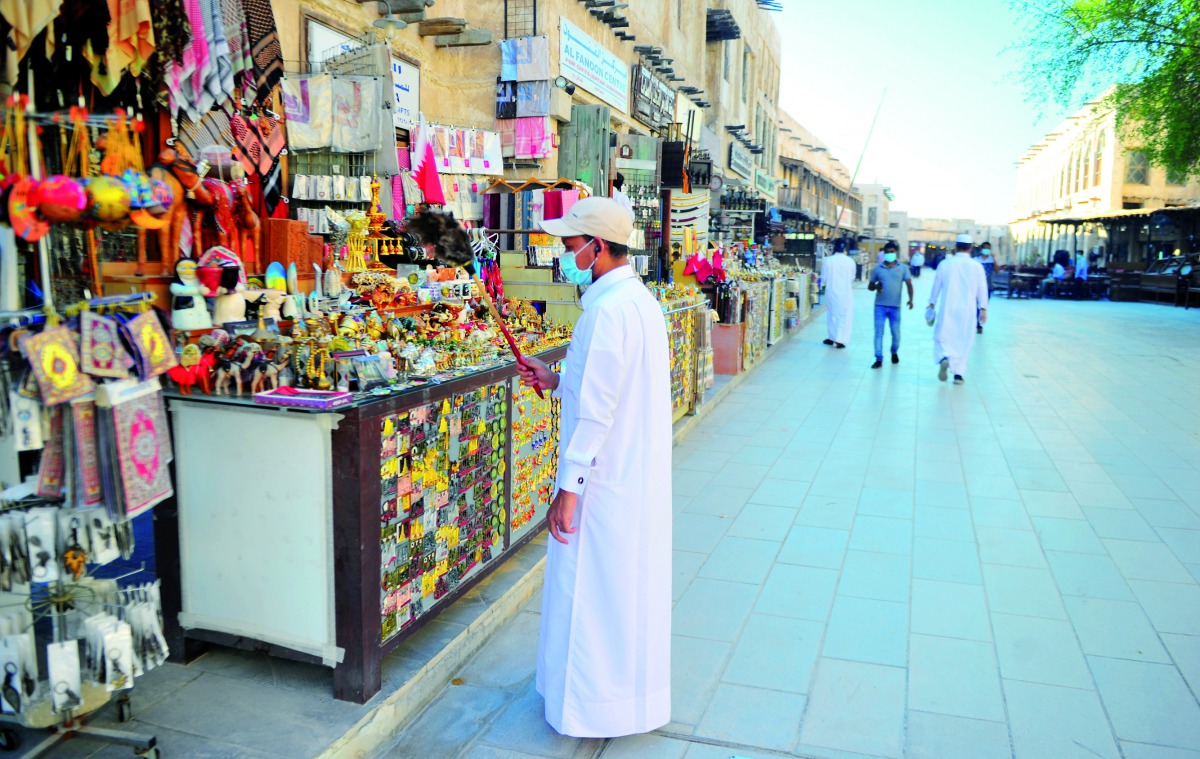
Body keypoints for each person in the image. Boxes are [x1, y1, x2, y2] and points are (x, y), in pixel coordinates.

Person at [518, 197, 672, 739]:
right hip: (631, 478)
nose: (564, 255)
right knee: (621, 594)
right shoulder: (637, 303)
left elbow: (598, 411)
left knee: (591, 595)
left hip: (606, 480)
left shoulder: (609, 312)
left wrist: (570, 487)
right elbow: (600, 387)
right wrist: (554, 379)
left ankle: (590, 706)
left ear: (596, 247)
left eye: (568, 246)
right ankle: (620, 700)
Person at [929, 233, 988, 385]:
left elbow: (936, 285)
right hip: (967, 311)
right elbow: (983, 289)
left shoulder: (945, 264)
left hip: (948, 308)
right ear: (970, 248)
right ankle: (958, 375)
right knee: (964, 339)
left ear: (956, 247)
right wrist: (983, 308)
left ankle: (944, 357)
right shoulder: (977, 266)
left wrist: (932, 303)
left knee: (943, 335)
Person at [867, 241, 913, 368]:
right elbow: (870, 286)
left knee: (895, 333)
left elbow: (909, 283)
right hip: (880, 306)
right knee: (878, 332)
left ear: (896, 252)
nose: (889, 254)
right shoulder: (878, 269)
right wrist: (876, 286)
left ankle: (894, 351)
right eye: (887, 252)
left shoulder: (903, 268)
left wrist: (911, 299)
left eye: (891, 252)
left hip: (895, 307)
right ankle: (878, 358)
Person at [820, 237, 856, 348]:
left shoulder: (828, 261)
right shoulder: (850, 261)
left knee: (832, 314)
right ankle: (840, 340)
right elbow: (852, 278)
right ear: (845, 248)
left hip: (831, 291)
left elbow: (824, 279)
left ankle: (832, 337)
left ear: (834, 247)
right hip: (845, 293)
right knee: (844, 316)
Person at [977, 242, 995, 333]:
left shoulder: (991, 260)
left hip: (988, 286)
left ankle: (979, 323)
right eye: (985, 248)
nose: (987, 249)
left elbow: (997, 270)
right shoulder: (976, 260)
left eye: (988, 248)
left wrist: (995, 260)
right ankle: (976, 324)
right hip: (977, 287)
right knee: (976, 305)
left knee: (983, 305)